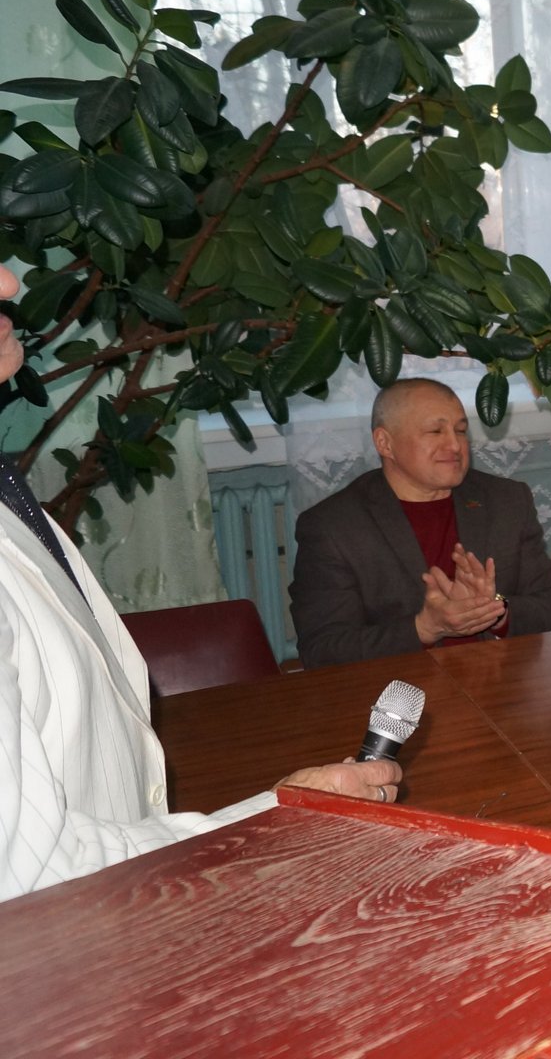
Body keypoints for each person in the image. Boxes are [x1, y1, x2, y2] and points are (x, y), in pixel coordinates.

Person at [0, 263, 402, 901]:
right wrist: (271, 824)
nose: (7, 283)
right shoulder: (339, 522)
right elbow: (32, 871)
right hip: (70, 935)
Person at [290, 378, 551, 668]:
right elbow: (322, 651)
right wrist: (424, 629)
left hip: (500, 679)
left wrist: (495, 609)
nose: (455, 445)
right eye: (435, 431)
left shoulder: (506, 501)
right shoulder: (333, 527)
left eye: (460, 431)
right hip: (400, 688)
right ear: (385, 443)